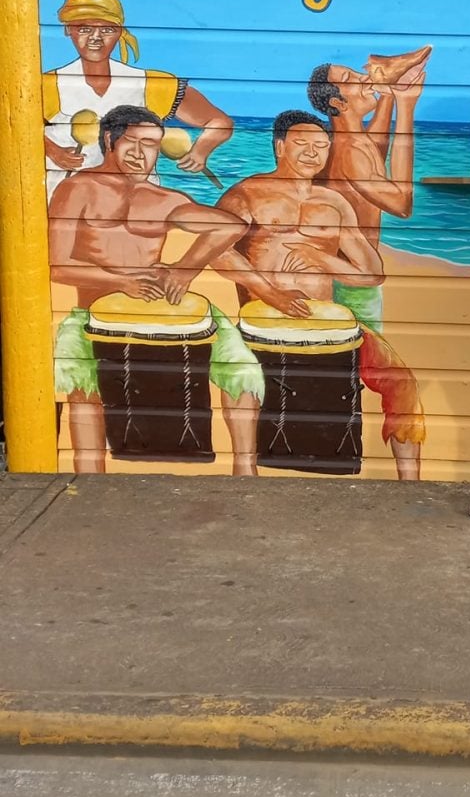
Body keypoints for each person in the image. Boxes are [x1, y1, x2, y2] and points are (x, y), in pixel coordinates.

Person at [49, 105, 264, 475]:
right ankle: (87, 479)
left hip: (165, 311)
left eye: (150, 144)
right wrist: (121, 281)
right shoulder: (77, 188)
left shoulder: (163, 199)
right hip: (93, 315)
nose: (140, 153)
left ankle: (246, 473)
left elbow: (229, 226)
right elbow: (57, 264)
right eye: (131, 142)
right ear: (108, 141)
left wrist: (184, 270)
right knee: (81, 382)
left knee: (242, 372)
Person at [218, 110, 425, 478]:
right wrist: (271, 294)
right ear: (280, 146)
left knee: (402, 382)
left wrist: (319, 256)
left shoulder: (333, 203)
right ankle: (243, 472)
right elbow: (218, 251)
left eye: (321, 146)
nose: (313, 154)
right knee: (238, 372)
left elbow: (372, 272)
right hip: (263, 320)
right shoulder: (246, 194)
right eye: (302, 145)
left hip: (327, 323)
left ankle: (412, 484)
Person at [306, 49, 429, 477]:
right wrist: (408, 108)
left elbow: (375, 149)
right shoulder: (350, 150)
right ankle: (408, 487)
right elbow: (402, 201)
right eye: (352, 78)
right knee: (400, 385)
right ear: (337, 103)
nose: (363, 78)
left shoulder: (350, 142)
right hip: (351, 290)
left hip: (352, 287)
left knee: (351, 384)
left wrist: (393, 95)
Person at [43, 0, 233, 196]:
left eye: (107, 29)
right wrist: (52, 150)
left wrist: (201, 150)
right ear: (68, 29)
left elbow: (220, 122)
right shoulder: (48, 84)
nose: (96, 37)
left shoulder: (148, 83)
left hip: (136, 203)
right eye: (84, 28)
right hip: (66, 202)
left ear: (120, 32)